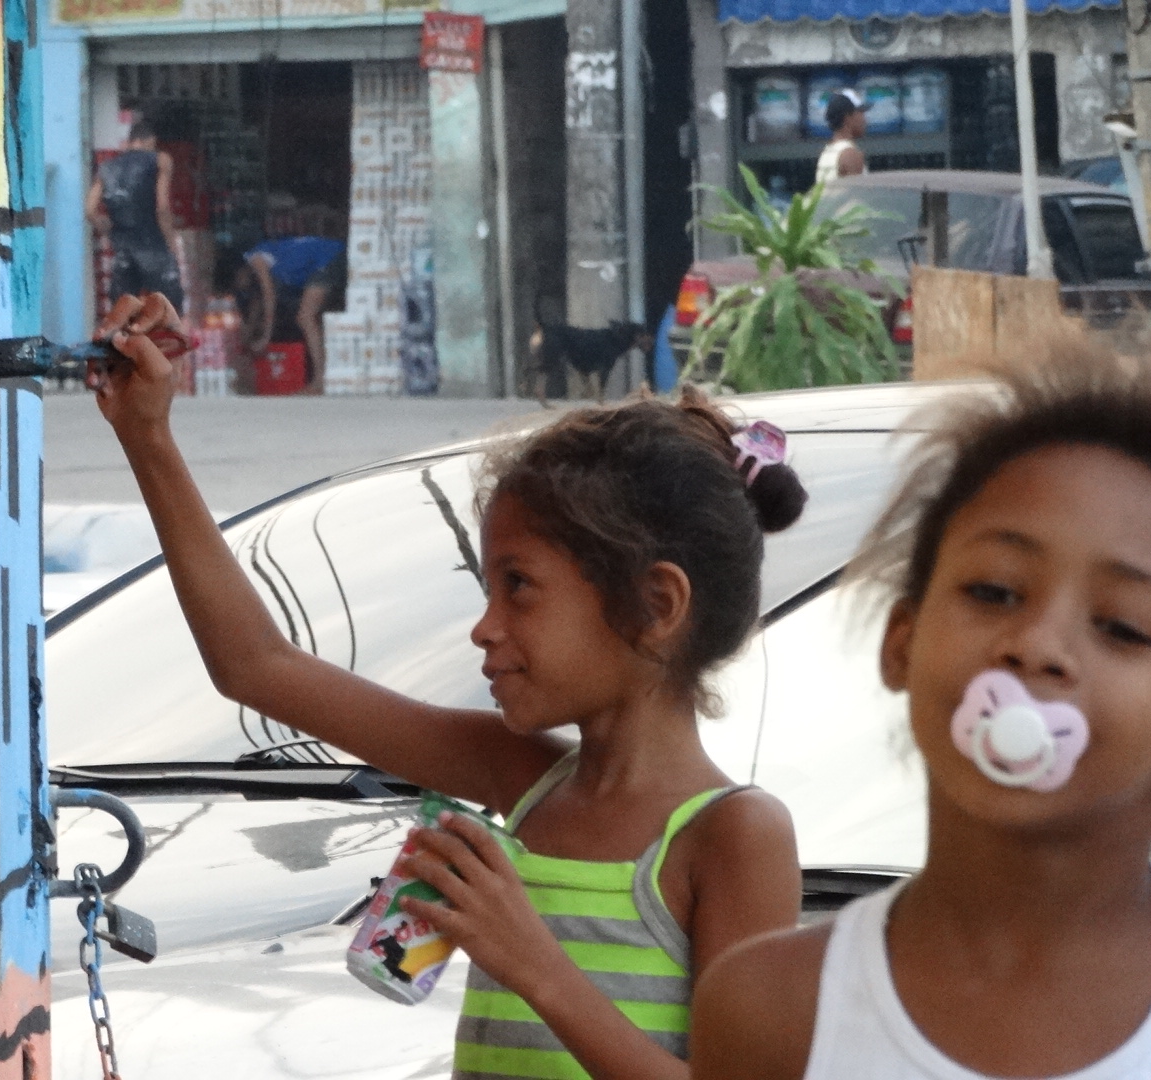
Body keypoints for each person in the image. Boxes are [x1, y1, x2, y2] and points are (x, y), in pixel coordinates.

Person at [90, 291, 812, 1079]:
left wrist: (534, 962)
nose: (485, 627)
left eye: (520, 587)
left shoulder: (736, 838)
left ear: (655, 604)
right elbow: (257, 667)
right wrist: (148, 437)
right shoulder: (520, 778)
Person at [692, 367, 1151, 1079]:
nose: (1039, 644)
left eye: (1123, 626)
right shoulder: (771, 1010)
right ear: (902, 642)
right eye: (993, 591)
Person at [86, 121, 183, 309]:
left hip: (123, 251)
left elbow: (90, 210)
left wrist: (105, 227)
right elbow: (162, 207)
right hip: (154, 247)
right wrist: (171, 242)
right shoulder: (160, 160)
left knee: (123, 314)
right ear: (151, 140)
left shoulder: (106, 168)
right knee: (168, 311)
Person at [240, 235, 346, 392]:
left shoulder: (256, 259)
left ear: (240, 272)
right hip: (329, 256)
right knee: (315, 320)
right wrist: (246, 339)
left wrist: (265, 337)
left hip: (328, 257)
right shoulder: (268, 266)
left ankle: (320, 380)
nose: (240, 286)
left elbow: (269, 297)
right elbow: (257, 304)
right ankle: (331, 374)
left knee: (305, 318)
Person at [815, 91, 867, 186]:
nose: (864, 119)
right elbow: (857, 197)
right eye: (861, 112)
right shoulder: (850, 154)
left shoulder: (827, 152)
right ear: (848, 116)